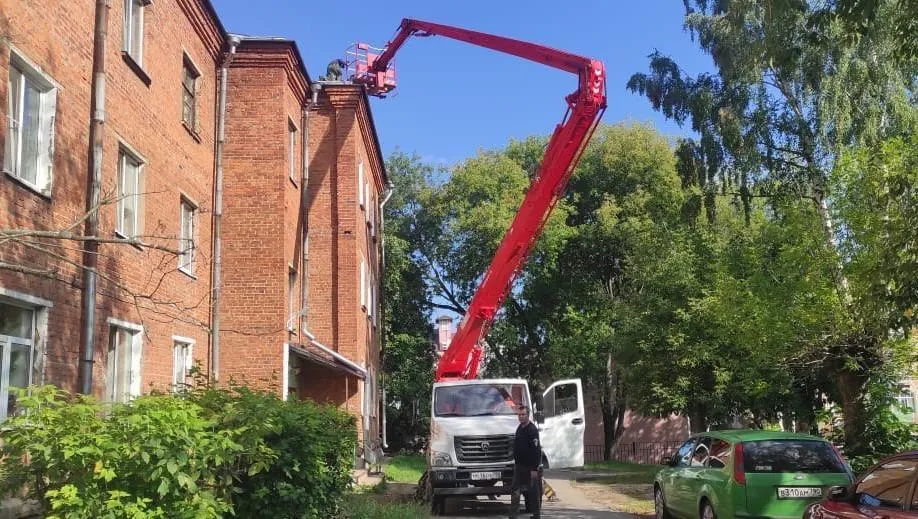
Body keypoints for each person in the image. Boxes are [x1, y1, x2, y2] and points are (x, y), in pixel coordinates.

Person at [510, 405, 541, 519]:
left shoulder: (532, 430)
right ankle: (513, 515)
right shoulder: (519, 428)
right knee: (515, 491)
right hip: (519, 466)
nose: (521, 417)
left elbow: (536, 450)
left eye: (523, 414)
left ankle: (536, 515)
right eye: (519, 415)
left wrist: (534, 468)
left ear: (528, 415)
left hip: (530, 467)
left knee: (533, 492)